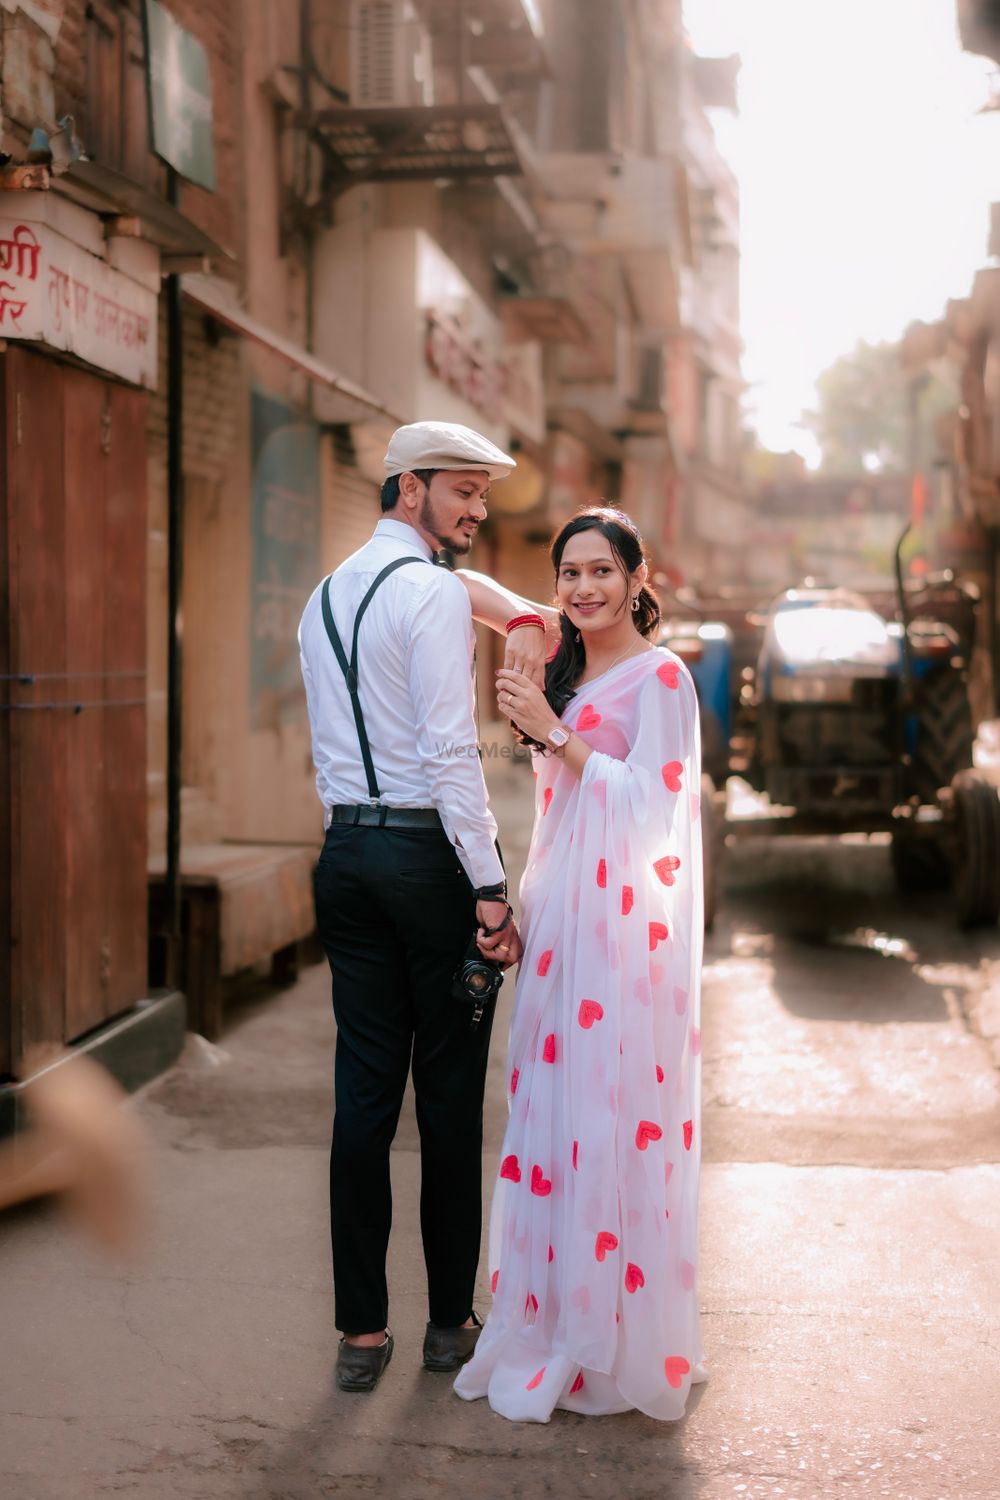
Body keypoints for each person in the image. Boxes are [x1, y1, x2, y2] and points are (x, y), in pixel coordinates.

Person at [452, 507, 707, 1422]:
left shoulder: (662, 678)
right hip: (561, 916)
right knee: (550, 1112)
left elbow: (657, 810)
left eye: (604, 571)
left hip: (625, 934)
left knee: (607, 1111)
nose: (585, 589)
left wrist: (555, 732)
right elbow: (467, 588)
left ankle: (608, 1336)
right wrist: (528, 627)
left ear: (640, 579)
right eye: (569, 574)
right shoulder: (557, 659)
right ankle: (550, 1313)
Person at [298, 420, 537, 1394]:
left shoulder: (323, 595)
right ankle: (447, 1325)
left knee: (361, 1099)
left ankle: (360, 1334)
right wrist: (488, 888)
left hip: (344, 854)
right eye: (462, 490)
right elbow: (449, 754)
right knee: (443, 1100)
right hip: (425, 862)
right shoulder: (432, 595)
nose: (477, 510)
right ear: (408, 488)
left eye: (481, 495)